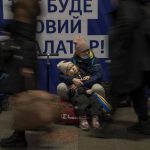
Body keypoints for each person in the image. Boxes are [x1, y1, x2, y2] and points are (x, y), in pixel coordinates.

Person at [0, 0, 40, 147]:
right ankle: (19, 135)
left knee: (20, 98)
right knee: (19, 98)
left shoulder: (26, 6)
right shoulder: (27, 5)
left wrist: (26, 65)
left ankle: (19, 138)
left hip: (22, 60)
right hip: (21, 58)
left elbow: (27, 37)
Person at [109, 0, 150, 134]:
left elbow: (128, 23)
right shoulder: (140, 4)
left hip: (133, 57)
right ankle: (144, 123)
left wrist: (119, 49)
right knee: (136, 90)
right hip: (142, 57)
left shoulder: (127, 3)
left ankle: (104, 124)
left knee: (118, 90)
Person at [57, 60, 103, 130]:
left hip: (88, 93)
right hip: (78, 95)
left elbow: (92, 78)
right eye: (69, 69)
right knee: (82, 100)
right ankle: (82, 119)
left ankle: (95, 118)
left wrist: (88, 77)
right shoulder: (69, 80)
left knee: (95, 100)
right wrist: (84, 90)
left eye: (72, 66)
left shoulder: (82, 73)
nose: (73, 68)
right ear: (67, 74)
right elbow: (73, 91)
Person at [57, 36, 105, 100]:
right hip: (75, 87)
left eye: (88, 50)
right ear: (77, 53)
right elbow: (61, 76)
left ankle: (100, 108)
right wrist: (72, 80)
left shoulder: (94, 60)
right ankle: (66, 107)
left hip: (90, 85)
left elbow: (98, 76)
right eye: (83, 51)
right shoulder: (72, 61)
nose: (87, 52)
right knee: (61, 87)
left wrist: (81, 83)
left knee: (98, 88)